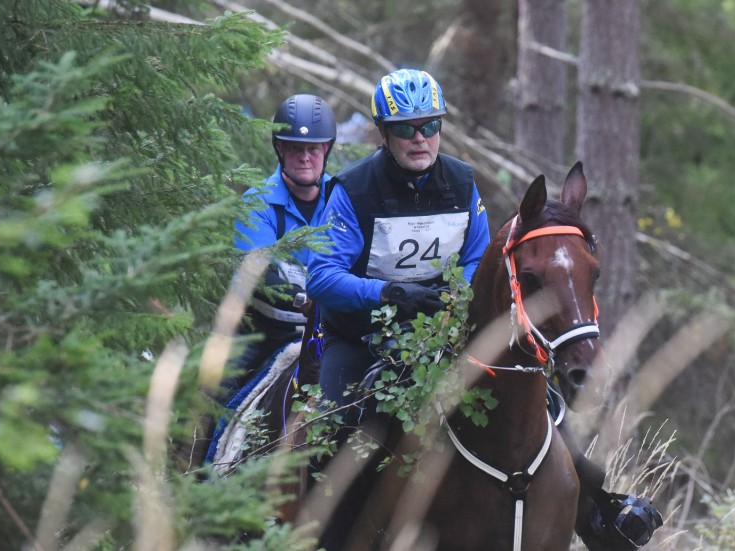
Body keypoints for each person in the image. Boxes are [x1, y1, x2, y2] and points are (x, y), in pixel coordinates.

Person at [307, 69, 661, 550]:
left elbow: (479, 261)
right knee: (336, 424)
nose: (420, 138)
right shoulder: (353, 190)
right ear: (383, 132)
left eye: (429, 126)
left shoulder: (461, 182)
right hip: (362, 337)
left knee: (543, 407)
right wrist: (388, 294)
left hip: (442, 328)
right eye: (406, 128)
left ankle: (601, 514)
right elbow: (322, 276)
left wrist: (455, 307)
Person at [203, 94, 336, 469]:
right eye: (295, 148)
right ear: (280, 149)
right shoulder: (258, 201)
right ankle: (190, 479)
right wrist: (321, 292)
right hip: (259, 330)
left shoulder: (344, 197)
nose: (305, 157)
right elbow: (261, 273)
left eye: (313, 148)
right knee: (210, 389)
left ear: (327, 149)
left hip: (324, 330)